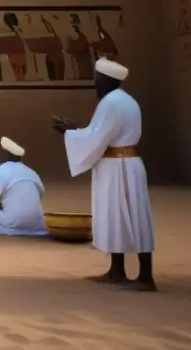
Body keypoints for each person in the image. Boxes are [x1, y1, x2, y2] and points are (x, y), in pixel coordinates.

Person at [54, 58, 156, 291]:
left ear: (107, 80)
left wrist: (69, 133)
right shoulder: (126, 100)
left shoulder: (110, 103)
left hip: (118, 167)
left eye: (98, 81)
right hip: (123, 164)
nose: (95, 86)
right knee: (117, 216)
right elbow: (97, 133)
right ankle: (117, 271)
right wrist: (77, 131)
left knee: (131, 217)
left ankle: (145, 278)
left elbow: (98, 137)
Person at [0, 137, 47, 236]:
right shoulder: (32, 173)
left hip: (13, 225)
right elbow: (39, 195)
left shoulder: (1, 170)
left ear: (7, 154)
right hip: (38, 225)